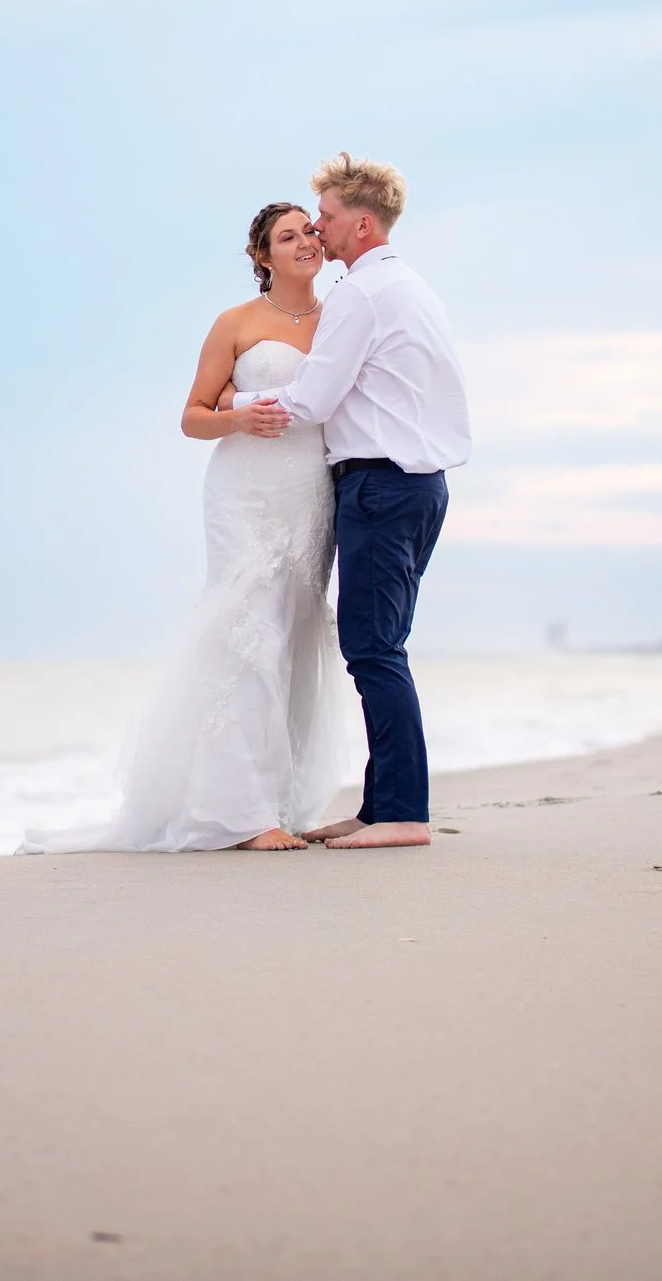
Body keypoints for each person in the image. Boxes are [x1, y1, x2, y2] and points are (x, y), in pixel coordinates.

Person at [20, 202, 359, 855]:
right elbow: (193, 416)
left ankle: (272, 800)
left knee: (290, 635)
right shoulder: (234, 323)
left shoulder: (339, 319)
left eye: (309, 232)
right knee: (247, 630)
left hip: (310, 491)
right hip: (242, 492)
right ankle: (238, 813)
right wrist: (236, 417)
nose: (304, 242)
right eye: (286, 236)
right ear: (262, 256)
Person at [232, 154, 471, 850]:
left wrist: (234, 401)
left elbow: (310, 399)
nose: (318, 228)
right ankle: (380, 806)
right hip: (421, 484)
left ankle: (401, 813)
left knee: (372, 649)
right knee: (381, 645)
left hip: (380, 483)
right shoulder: (415, 288)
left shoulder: (361, 295)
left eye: (328, 218)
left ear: (361, 224)